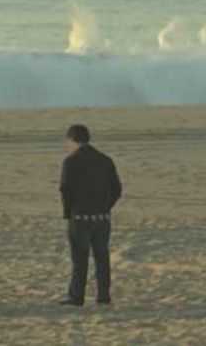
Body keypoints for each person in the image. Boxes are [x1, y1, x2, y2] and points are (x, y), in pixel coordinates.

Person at [58, 124, 122, 307]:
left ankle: (76, 297)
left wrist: (68, 211)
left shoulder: (71, 161)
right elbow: (117, 189)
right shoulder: (105, 160)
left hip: (80, 216)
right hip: (102, 217)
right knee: (102, 257)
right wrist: (106, 206)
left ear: (71, 140)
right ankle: (103, 296)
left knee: (80, 259)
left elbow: (65, 189)